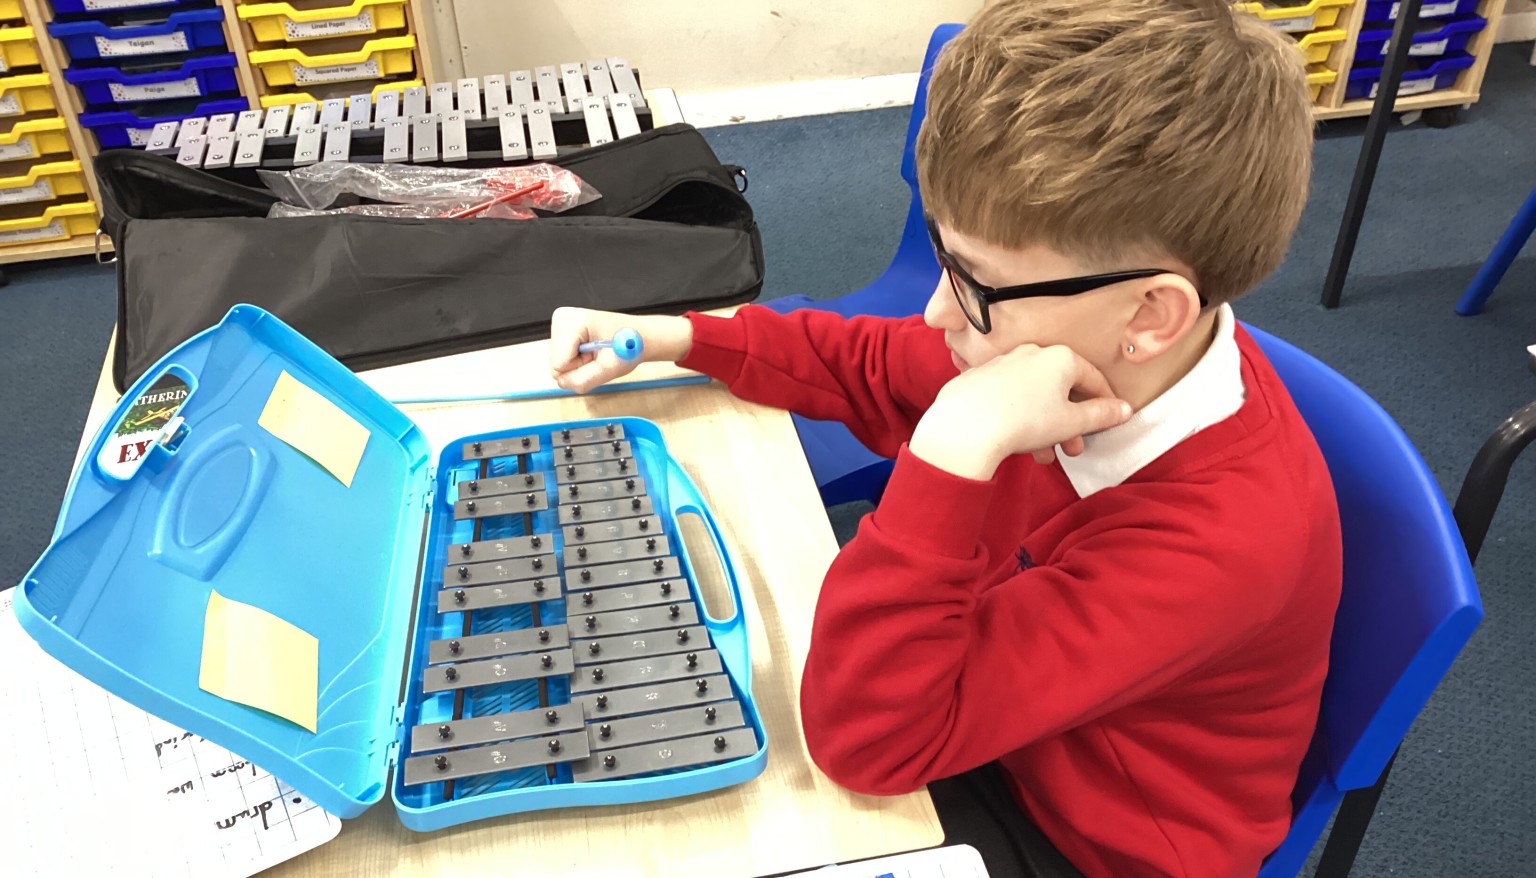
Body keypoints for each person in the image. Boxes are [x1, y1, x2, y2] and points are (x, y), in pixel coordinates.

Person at [548, 1, 1342, 875]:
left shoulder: (1222, 543)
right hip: (1000, 721)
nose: (932, 310)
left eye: (976, 282)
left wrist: (952, 449)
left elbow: (870, 745)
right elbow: (871, 362)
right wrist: (687, 338)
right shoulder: (1081, 347)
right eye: (942, 256)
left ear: (1150, 314)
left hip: (1089, 838)